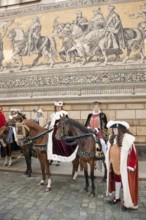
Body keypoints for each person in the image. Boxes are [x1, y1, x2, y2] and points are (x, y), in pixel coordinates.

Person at [106, 120, 138, 211]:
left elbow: (133, 154)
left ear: (120, 129)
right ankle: (117, 197)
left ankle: (127, 201)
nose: (114, 130)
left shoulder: (127, 139)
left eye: (116, 129)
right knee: (117, 180)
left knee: (126, 184)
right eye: (113, 129)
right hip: (115, 166)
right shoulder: (111, 138)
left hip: (125, 167)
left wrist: (131, 165)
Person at [47, 101, 77, 166]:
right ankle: (50, 157)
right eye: (57, 107)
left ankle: (59, 158)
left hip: (59, 129)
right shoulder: (53, 114)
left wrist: (58, 124)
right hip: (51, 128)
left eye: (59, 107)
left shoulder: (64, 113)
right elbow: (52, 122)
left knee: (56, 139)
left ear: (61, 107)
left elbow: (66, 121)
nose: (58, 108)